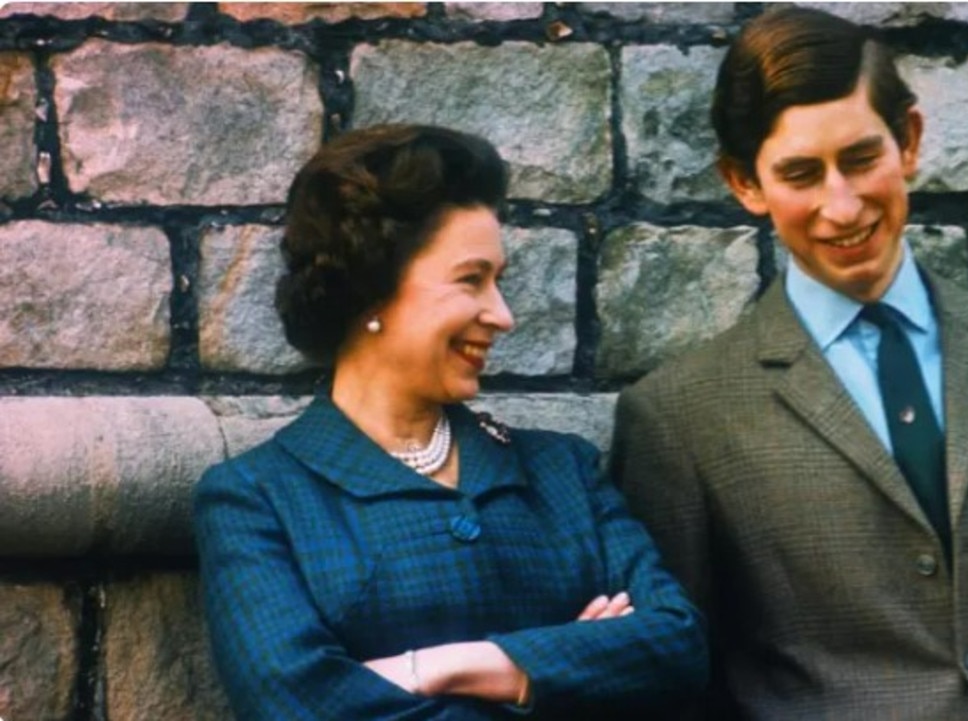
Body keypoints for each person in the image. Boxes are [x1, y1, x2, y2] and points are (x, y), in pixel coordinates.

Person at [609, 7, 968, 720]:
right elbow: (677, 678)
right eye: (801, 174)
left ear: (909, 140)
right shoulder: (680, 417)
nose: (842, 206)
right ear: (746, 184)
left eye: (861, 159)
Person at [194, 124, 707, 720]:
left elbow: (679, 647)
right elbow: (301, 708)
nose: (503, 315)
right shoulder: (257, 501)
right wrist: (570, 671)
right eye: (472, 279)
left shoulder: (563, 469)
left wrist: (446, 666)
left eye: (499, 281)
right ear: (373, 289)